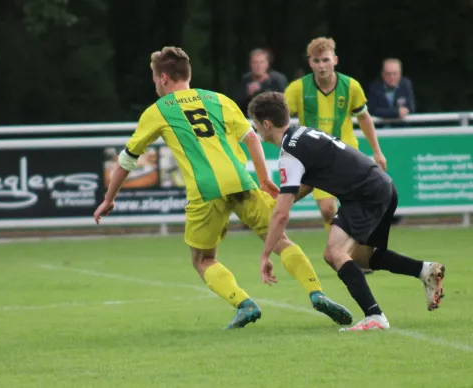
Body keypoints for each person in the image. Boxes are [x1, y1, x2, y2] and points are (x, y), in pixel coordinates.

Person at [94, 46, 352, 330]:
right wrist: (264, 179)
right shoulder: (218, 99)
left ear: (164, 78)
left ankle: (244, 303)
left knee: (203, 259)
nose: (155, 84)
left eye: (155, 79)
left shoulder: (157, 112)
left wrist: (109, 199)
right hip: (242, 181)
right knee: (280, 241)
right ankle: (316, 292)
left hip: (206, 191)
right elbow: (252, 139)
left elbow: (126, 160)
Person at [247, 91, 446, 332]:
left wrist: (266, 255)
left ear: (266, 124)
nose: (256, 129)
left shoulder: (290, 152)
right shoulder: (303, 134)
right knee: (361, 257)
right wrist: (282, 199)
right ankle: (424, 270)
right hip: (382, 185)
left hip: (364, 193)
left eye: (256, 124)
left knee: (334, 253)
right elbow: (307, 183)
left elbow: (281, 216)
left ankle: (375, 316)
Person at [284, 38, 387, 275]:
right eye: (317, 61)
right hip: (317, 161)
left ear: (335, 60)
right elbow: (281, 116)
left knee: (356, 205)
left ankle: (354, 254)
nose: (322, 66)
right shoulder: (298, 89)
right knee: (328, 210)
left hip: (347, 157)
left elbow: (364, 117)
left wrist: (377, 151)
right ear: (310, 62)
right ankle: (344, 254)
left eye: (326, 60)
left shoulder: (351, 87)